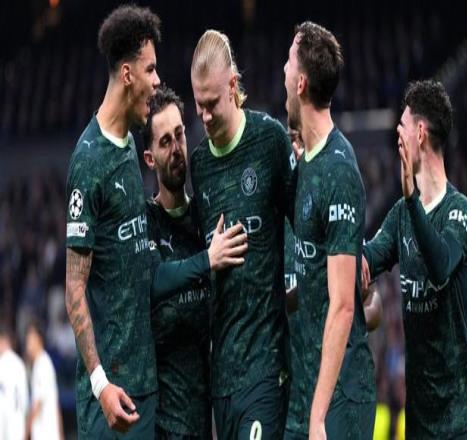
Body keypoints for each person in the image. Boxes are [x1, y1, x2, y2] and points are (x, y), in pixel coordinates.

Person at [65, 6, 244, 437]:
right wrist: (100, 385)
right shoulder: (87, 161)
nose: (157, 79)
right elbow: (74, 288)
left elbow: (144, 275)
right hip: (110, 397)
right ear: (127, 74)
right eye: (151, 69)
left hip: (145, 393)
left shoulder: (128, 149)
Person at [190, 29, 297, 439]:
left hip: (267, 366)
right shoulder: (200, 165)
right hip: (222, 379)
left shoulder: (269, 141)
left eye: (212, 104)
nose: (204, 116)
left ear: (233, 86)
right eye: (198, 104)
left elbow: (302, 224)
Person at [363, 79, 467, 438]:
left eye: (402, 125)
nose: (396, 134)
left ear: (420, 133)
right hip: (418, 422)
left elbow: (441, 265)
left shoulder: (458, 210)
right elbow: (367, 259)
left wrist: (412, 199)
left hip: (457, 418)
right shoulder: (400, 214)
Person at [283, 21, 376, 439]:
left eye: (288, 62)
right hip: (309, 391)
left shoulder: (338, 168)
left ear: (301, 84)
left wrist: (318, 417)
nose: (282, 71)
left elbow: (342, 306)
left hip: (338, 400)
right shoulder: (308, 162)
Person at [142, 84, 247, 439]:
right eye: (165, 142)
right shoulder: (146, 222)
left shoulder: (207, 218)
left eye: (179, 135)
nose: (176, 149)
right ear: (150, 158)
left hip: (209, 422)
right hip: (162, 427)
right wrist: (208, 260)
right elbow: (154, 280)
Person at [25, 322, 63, 440]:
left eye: (30, 340)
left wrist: (25, 434)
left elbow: (37, 404)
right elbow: (56, 405)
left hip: (45, 433)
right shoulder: (43, 362)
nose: (27, 345)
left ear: (39, 339)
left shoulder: (42, 364)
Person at [0, 325, 28, 440]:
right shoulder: (19, 363)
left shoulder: (3, 362)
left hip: (6, 420)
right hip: (18, 420)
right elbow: (25, 399)